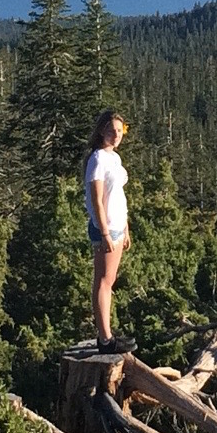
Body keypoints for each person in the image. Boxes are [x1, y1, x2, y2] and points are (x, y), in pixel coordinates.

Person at [85, 111, 133, 350]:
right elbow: (97, 200)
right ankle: (105, 339)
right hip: (105, 229)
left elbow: (117, 196)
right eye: (111, 130)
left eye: (120, 131)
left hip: (116, 226)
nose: (116, 135)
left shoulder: (113, 158)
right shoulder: (98, 160)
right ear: (101, 131)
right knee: (103, 282)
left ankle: (108, 334)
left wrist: (125, 227)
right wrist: (104, 233)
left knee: (109, 281)